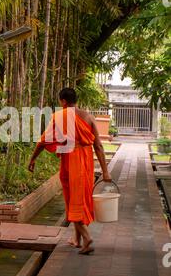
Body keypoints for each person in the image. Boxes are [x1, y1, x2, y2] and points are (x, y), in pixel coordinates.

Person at [28, 88, 112, 255]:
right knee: (78, 199)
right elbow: (99, 146)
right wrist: (105, 171)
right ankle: (76, 239)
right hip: (87, 162)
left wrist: (32, 159)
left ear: (63, 102)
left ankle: (87, 238)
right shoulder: (89, 117)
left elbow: (43, 141)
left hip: (71, 161)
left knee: (74, 201)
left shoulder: (61, 116)